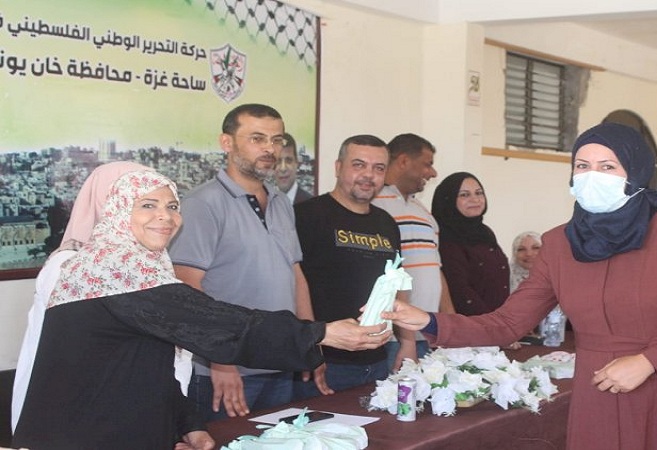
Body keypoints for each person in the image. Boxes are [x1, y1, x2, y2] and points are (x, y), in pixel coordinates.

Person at [385, 122, 657, 450]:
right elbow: (508, 323)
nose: (592, 176)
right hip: (600, 395)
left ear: (636, 171)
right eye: (582, 166)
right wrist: (429, 321)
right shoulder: (560, 244)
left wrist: (650, 361)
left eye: (607, 167)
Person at [12, 170, 391, 450]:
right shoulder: (113, 271)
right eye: (147, 205)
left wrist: (186, 424)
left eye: (172, 206)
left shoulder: (129, 267)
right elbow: (214, 322)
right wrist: (321, 333)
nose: (166, 217)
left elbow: (143, 368)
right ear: (114, 211)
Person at [169, 104, 315, 421]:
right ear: (227, 143)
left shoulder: (281, 202)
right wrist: (221, 360)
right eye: (257, 139)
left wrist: (310, 344)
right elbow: (187, 286)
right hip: (226, 373)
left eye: (276, 140)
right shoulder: (202, 203)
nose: (269, 149)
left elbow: (295, 274)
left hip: (280, 364)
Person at [11, 161, 164, 435]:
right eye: (145, 204)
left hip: (134, 407)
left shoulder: (151, 260)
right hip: (80, 413)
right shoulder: (69, 264)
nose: (159, 215)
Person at [293, 134, 415, 399]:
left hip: (378, 358)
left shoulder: (387, 223)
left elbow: (397, 283)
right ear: (338, 167)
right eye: (358, 165)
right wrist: (311, 345)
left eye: (378, 168)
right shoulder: (305, 215)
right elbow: (294, 281)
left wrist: (408, 341)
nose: (368, 175)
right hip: (326, 362)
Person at [372, 133, 454, 371]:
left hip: (428, 334)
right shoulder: (374, 205)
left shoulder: (423, 212)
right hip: (392, 340)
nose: (433, 173)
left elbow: (436, 270)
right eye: (427, 164)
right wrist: (404, 339)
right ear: (404, 161)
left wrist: (450, 323)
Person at [432, 172, 509, 316]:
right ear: (448, 200)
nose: (475, 199)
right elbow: (459, 290)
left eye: (479, 193)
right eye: (464, 195)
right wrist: (489, 322)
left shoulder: (485, 233)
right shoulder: (445, 237)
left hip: (498, 320)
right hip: (470, 323)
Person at [274, 132, 314, 204]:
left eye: (288, 160)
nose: (283, 168)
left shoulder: (312, 205)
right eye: (278, 161)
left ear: (297, 163)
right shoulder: (266, 203)